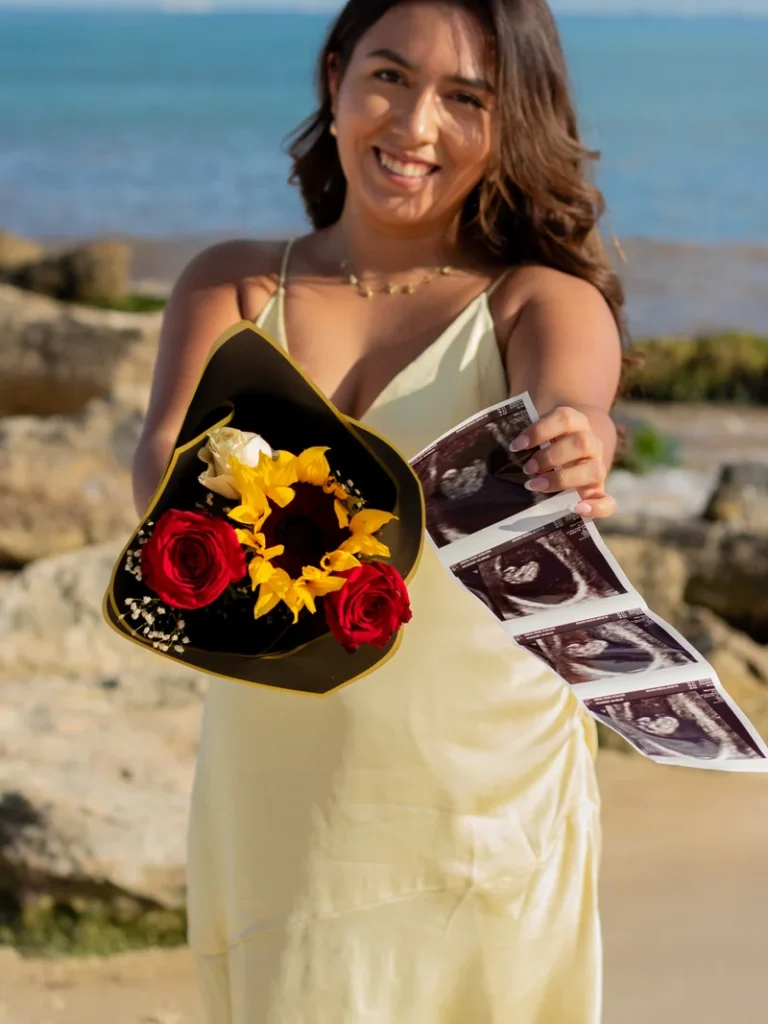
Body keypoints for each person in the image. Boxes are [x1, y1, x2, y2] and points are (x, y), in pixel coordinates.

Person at [132, 1, 624, 1020]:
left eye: (466, 99)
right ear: (335, 76)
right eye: (391, 77)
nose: (415, 124)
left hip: (483, 804)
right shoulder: (232, 287)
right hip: (280, 794)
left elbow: (575, 400)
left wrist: (579, 440)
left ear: (511, 122)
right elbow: (162, 477)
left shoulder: (534, 301)